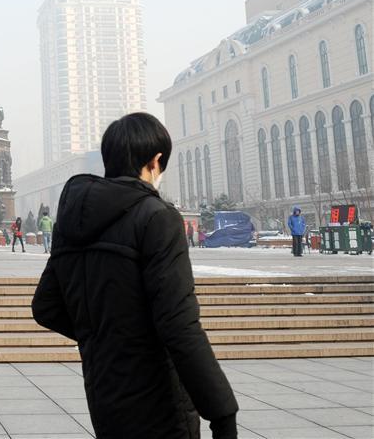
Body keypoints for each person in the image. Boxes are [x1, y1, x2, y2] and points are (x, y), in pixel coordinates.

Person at [31, 112, 238, 439]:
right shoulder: (157, 217)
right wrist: (223, 412)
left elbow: (46, 306)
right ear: (155, 162)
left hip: (103, 393)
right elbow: (178, 323)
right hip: (159, 401)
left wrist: (106, 340)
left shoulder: (71, 219)